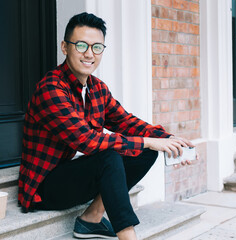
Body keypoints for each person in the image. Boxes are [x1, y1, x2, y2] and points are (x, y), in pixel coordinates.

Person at [18, 12, 196, 240]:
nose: (89, 54)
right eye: (81, 45)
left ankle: (92, 218)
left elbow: (127, 122)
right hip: (43, 187)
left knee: (146, 150)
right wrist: (150, 140)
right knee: (109, 155)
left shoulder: (97, 88)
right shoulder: (51, 89)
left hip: (74, 174)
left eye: (97, 47)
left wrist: (169, 141)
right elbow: (87, 141)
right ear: (64, 47)